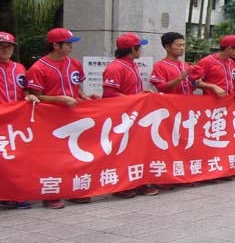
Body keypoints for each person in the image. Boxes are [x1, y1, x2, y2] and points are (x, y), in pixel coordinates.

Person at [27, 28, 98, 209]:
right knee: (53, 156)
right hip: (50, 118)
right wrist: (59, 99)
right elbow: (36, 96)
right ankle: (51, 193)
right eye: (68, 44)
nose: (71, 47)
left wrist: (85, 97)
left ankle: (74, 189)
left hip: (73, 117)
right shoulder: (39, 67)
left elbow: (77, 89)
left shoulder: (74, 64)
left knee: (75, 153)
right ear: (55, 45)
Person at [102, 33, 161, 197]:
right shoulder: (116, 67)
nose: (140, 50)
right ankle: (122, 186)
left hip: (134, 115)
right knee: (123, 152)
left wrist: (140, 94)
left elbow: (127, 91)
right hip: (122, 117)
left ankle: (138, 181)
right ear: (133, 49)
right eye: (139, 47)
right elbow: (109, 93)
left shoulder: (131, 65)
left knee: (137, 150)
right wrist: (134, 99)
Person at [0, 32, 36, 209]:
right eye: (2, 45)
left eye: (9, 46)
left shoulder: (20, 68)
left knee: (14, 158)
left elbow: (26, 91)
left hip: (16, 121)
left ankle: (13, 194)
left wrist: (29, 97)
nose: (5, 48)